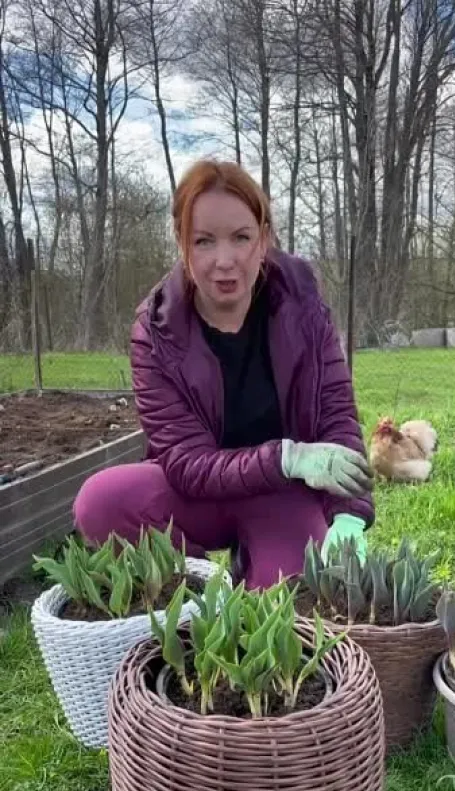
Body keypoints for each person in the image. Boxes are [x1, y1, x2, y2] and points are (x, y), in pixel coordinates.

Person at [73, 159, 374, 589]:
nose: (224, 260)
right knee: (101, 501)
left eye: (241, 237)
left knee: (287, 605)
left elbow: (336, 412)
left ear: (264, 238)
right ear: (182, 244)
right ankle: (197, 587)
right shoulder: (156, 331)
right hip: (199, 494)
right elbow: (186, 464)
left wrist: (349, 512)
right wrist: (287, 457)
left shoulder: (303, 305)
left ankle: (256, 567)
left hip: (282, 496)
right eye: (204, 241)